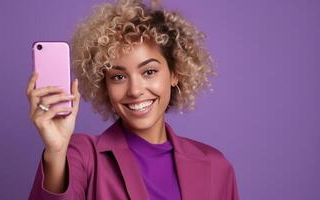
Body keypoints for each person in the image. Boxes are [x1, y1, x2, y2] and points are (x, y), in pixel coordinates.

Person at [27, 0, 239, 199]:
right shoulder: (82, 155)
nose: (135, 90)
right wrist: (55, 152)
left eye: (149, 72)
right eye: (118, 77)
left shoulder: (216, 166)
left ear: (175, 73)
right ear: (105, 86)